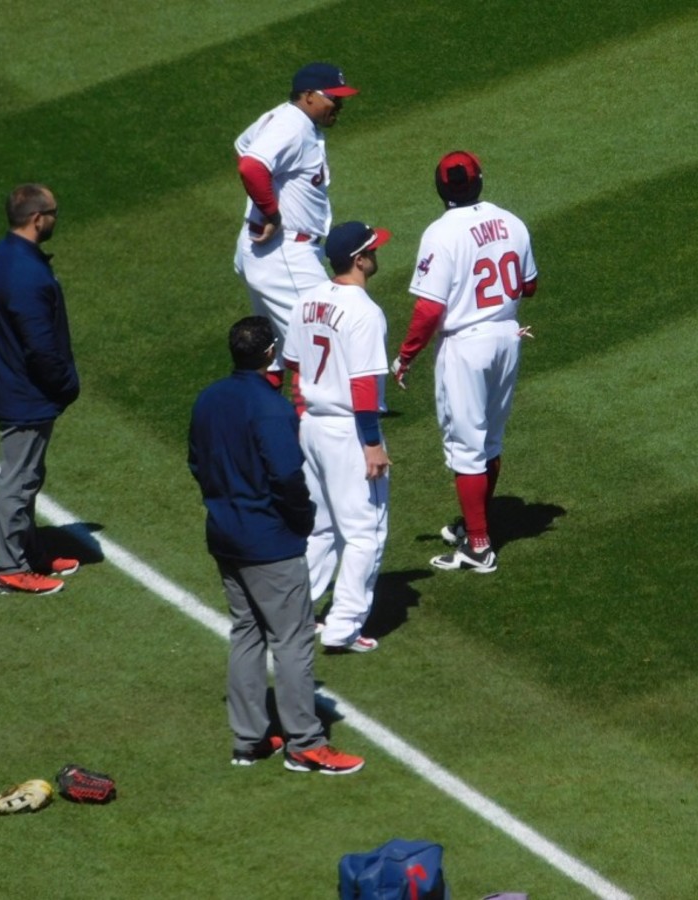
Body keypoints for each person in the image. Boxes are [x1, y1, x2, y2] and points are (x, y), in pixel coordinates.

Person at [188, 315, 364, 774]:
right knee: (292, 639)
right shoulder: (271, 407)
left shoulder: (208, 398)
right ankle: (305, 741)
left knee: (246, 633)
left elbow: (196, 461)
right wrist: (302, 518)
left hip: (224, 534)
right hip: (269, 540)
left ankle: (248, 738)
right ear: (269, 354)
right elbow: (287, 475)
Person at [390, 151, 538, 573]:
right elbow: (529, 286)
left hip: (465, 347)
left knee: (466, 449)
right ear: (480, 181)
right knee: (489, 441)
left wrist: (405, 357)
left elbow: (429, 310)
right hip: (507, 338)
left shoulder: (441, 234)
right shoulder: (512, 222)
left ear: (440, 188)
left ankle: (478, 547)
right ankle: (478, 526)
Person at [283, 222, 392, 653]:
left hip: (311, 425)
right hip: (348, 431)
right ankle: (344, 627)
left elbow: (293, 366)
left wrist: (301, 420)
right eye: (373, 249)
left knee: (322, 528)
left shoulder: (306, 299)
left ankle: (295, 613)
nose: (377, 254)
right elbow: (363, 386)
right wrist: (371, 442)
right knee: (366, 532)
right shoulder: (365, 311)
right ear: (360, 260)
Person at [0, 184, 81, 596]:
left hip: (11, 383)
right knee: (19, 480)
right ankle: (10, 568)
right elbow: (41, 347)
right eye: (54, 212)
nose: (56, 218)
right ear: (38, 219)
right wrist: (65, 386)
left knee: (29, 476)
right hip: (26, 392)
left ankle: (30, 550)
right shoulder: (27, 273)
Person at [233, 62, 358, 387]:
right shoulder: (291, 125)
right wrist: (270, 212)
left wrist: (263, 204)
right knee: (325, 344)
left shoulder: (284, 118)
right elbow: (250, 165)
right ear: (308, 96)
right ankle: (325, 429)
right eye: (333, 98)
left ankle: (265, 428)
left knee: (271, 351)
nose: (339, 105)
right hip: (286, 254)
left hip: (274, 253)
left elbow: (243, 145)